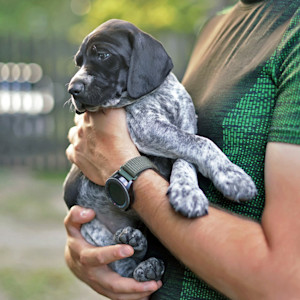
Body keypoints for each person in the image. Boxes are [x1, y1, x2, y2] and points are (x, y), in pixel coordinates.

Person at [64, 0, 300, 299]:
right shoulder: (217, 23)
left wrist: (125, 170)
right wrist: (85, 256)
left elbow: (287, 283)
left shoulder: (293, 31)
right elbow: (177, 143)